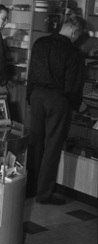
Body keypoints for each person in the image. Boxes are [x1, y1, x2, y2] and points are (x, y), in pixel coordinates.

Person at [26, 13, 87, 205]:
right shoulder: (74, 53)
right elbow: (72, 87)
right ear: (75, 31)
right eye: (79, 35)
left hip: (36, 96)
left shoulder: (40, 43)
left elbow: (31, 71)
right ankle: (44, 194)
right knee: (52, 147)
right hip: (57, 100)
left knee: (35, 143)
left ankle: (30, 188)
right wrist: (79, 104)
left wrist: (30, 97)